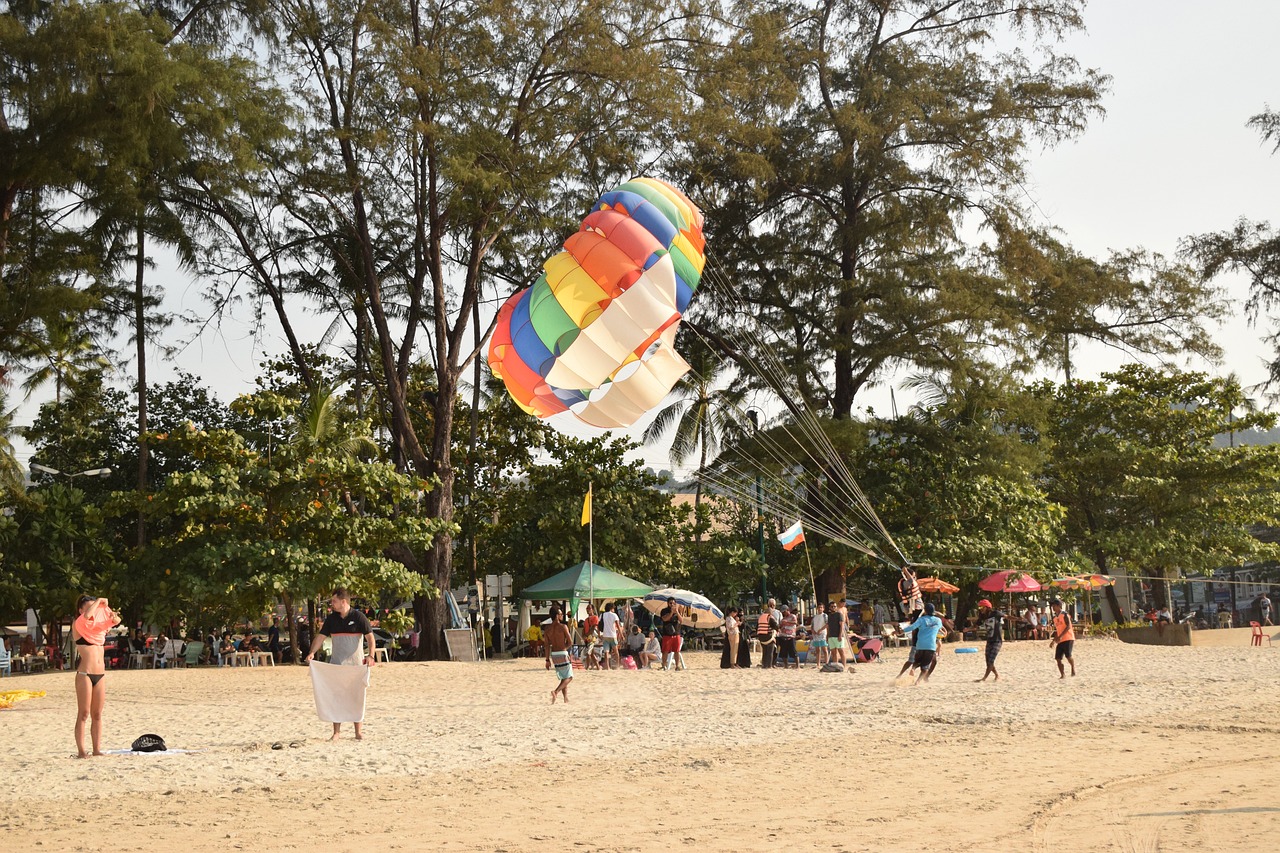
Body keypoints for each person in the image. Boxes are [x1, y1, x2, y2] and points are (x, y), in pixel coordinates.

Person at [305, 588, 377, 740]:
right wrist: (312, 652)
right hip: (336, 665)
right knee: (336, 697)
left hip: (356, 666)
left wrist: (371, 655)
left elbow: (370, 638)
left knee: (356, 696)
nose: (332, 604)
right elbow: (320, 637)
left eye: (334, 601)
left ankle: (358, 732)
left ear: (343, 602)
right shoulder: (332, 619)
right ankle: (336, 732)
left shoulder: (358, 617)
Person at [71, 595, 121, 758]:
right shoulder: (79, 624)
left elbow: (116, 621)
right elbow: (86, 616)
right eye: (89, 606)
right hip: (85, 674)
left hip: (100, 674)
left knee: (97, 714)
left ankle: (97, 749)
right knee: (84, 713)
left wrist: (110, 612)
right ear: (80, 609)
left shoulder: (98, 629)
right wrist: (99, 601)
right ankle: (81, 751)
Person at [897, 603, 945, 686]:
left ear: (925, 611)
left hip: (920, 645)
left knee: (917, 661)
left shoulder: (921, 619)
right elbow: (941, 623)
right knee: (925, 666)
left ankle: (913, 668)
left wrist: (901, 631)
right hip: (930, 646)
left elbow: (912, 627)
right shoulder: (938, 621)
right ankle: (918, 681)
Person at [544, 607, 573, 703]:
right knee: (569, 677)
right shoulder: (563, 627)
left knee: (564, 676)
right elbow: (570, 642)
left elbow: (547, 646)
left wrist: (547, 660)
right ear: (557, 616)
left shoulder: (547, 629)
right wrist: (565, 649)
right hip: (562, 652)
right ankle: (556, 692)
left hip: (554, 654)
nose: (562, 616)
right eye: (560, 614)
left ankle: (566, 698)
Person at [975, 599, 1008, 683]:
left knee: (991, 660)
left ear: (987, 607)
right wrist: (967, 629)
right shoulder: (982, 616)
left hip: (997, 641)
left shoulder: (995, 613)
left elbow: (1007, 616)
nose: (980, 609)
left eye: (981, 607)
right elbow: (976, 625)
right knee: (988, 661)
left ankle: (984, 678)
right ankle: (997, 675)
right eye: (979, 607)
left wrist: (1018, 619)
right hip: (989, 640)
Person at [1049, 598, 1076, 678]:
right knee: (1058, 658)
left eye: (1054, 606)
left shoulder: (1064, 615)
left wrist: (1060, 636)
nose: (1053, 607)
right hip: (1060, 640)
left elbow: (1068, 626)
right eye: (1052, 606)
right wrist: (1053, 641)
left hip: (1068, 638)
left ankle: (1073, 668)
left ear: (1058, 606)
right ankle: (1062, 675)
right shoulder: (1055, 618)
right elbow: (1058, 630)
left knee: (1068, 656)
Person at [659, 597, 682, 670]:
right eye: (670, 603)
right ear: (668, 603)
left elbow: (681, 620)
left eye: (674, 603)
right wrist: (671, 612)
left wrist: (677, 612)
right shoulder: (664, 611)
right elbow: (665, 619)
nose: (672, 604)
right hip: (667, 634)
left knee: (677, 651)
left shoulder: (678, 610)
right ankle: (664, 666)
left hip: (676, 633)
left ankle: (677, 666)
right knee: (665, 651)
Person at [599, 602, 622, 670]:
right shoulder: (614, 615)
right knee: (616, 651)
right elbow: (618, 625)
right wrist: (621, 634)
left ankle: (607, 667)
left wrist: (599, 634)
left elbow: (598, 625)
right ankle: (617, 666)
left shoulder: (602, 615)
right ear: (611, 608)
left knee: (606, 652)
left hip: (605, 635)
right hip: (612, 635)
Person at [826, 600, 847, 669]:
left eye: (835, 606)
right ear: (829, 607)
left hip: (838, 635)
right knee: (833, 653)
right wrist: (827, 635)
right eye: (832, 607)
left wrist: (840, 635)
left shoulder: (839, 614)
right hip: (831, 636)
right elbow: (828, 626)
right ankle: (836, 666)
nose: (834, 608)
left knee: (841, 651)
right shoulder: (829, 616)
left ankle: (844, 666)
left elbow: (841, 625)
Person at [807, 602, 828, 669]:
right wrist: (813, 631)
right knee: (817, 649)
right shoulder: (815, 617)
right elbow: (812, 625)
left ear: (823, 609)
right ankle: (818, 664)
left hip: (822, 633)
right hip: (815, 634)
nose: (820, 609)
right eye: (819, 607)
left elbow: (827, 624)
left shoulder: (825, 615)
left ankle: (826, 663)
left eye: (821, 607)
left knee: (824, 648)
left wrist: (821, 630)